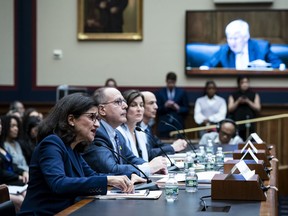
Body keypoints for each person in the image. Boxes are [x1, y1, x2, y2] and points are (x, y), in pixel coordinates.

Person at [18, 93, 141, 215]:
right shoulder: (52, 143)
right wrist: (108, 179)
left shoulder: (73, 148)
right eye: (92, 117)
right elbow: (58, 184)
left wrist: (125, 177)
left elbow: (92, 175)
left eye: (97, 119)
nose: (97, 124)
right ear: (71, 119)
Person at [83, 87, 167, 177]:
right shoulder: (97, 133)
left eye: (124, 101)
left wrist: (153, 167)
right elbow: (111, 169)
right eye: (118, 102)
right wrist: (148, 168)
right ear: (102, 110)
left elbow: (130, 158)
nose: (125, 106)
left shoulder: (116, 133)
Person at [201, 19, 282, 69]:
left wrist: (264, 67)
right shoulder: (225, 50)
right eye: (229, 38)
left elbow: (279, 65)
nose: (232, 42)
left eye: (235, 38)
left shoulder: (262, 48)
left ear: (246, 37)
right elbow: (207, 65)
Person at [139, 91, 187, 161]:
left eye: (156, 103)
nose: (156, 107)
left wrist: (176, 145)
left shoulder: (147, 127)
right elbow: (147, 153)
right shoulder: (136, 128)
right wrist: (173, 147)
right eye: (151, 103)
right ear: (141, 106)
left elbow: (159, 145)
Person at [155, 72, 189, 138]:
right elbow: (157, 109)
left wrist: (178, 108)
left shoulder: (182, 92)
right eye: (169, 82)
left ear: (175, 81)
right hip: (164, 125)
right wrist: (165, 106)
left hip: (178, 125)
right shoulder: (160, 93)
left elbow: (186, 109)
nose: (171, 84)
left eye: (172, 82)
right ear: (166, 81)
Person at [228, 75, 261, 140]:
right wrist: (238, 101)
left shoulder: (254, 94)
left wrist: (248, 101)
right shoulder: (233, 95)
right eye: (242, 82)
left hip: (250, 124)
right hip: (237, 124)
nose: (245, 84)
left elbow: (258, 108)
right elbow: (230, 109)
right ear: (239, 84)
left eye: (246, 82)